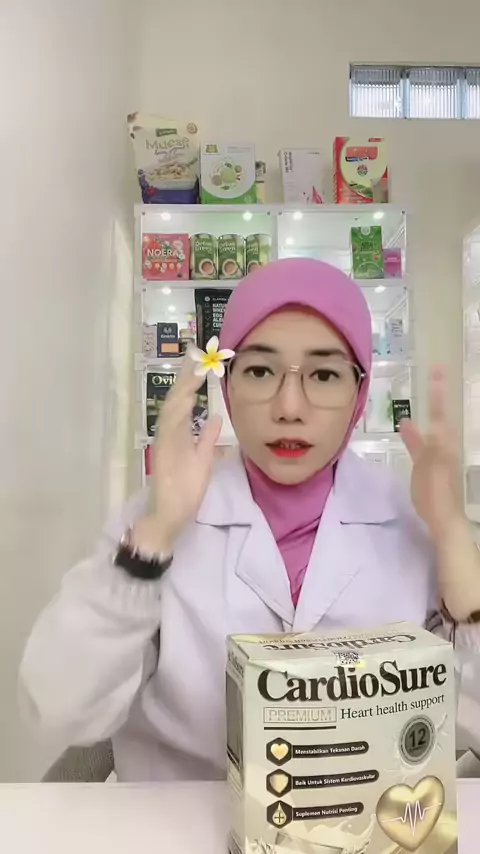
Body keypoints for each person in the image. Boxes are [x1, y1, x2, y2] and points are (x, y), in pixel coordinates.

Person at [20, 258, 480, 782]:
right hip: (182, 815)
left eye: (325, 374)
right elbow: (59, 708)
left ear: (360, 391)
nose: (290, 407)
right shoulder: (163, 511)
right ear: (228, 385)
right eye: (260, 371)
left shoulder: (415, 519)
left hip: (370, 815)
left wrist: (454, 538)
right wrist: (155, 537)